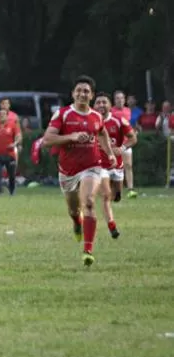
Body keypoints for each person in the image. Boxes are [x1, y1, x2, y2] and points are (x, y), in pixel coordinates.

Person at [42, 76, 115, 267]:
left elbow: (102, 133)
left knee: (89, 201)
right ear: (73, 94)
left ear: (91, 96)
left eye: (86, 91)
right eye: (79, 90)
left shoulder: (96, 116)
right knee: (74, 210)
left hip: (92, 166)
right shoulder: (63, 114)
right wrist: (72, 136)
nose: (82, 94)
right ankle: (76, 223)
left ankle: (88, 250)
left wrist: (109, 153)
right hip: (68, 171)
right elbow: (47, 140)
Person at [95, 92, 136, 238]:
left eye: (104, 102)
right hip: (99, 166)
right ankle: (112, 225)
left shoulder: (119, 120)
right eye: (98, 102)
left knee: (117, 195)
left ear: (110, 105)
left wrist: (122, 148)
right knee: (106, 196)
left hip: (116, 165)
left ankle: (115, 197)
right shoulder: (90, 121)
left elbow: (133, 138)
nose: (101, 105)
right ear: (94, 106)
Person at [0, 106, 21, 195]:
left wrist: (14, 144)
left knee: (11, 175)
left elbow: (18, 137)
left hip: (10, 154)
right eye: (0, 115)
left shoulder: (13, 125)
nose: (1, 116)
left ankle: (12, 190)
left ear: (7, 116)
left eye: (3, 114)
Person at [111, 90, 137, 198]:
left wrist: (134, 131)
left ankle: (131, 189)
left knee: (128, 165)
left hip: (126, 143)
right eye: (117, 98)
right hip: (115, 144)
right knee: (115, 166)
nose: (120, 100)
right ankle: (114, 189)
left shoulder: (128, 111)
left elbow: (130, 125)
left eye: (121, 98)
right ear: (114, 100)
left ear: (124, 100)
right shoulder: (111, 111)